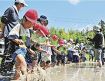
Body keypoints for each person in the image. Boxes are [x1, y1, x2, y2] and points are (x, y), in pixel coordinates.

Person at [8, 9, 38, 80]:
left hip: (23, 52)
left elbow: (26, 44)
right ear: (24, 19)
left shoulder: (28, 31)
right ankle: (27, 78)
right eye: (30, 23)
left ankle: (16, 79)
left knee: (17, 70)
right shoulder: (19, 26)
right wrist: (17, 40)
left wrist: (30, 50)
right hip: (17, 50)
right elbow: (11, 36)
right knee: (23, 63)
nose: (31, 25)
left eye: (32, 24)